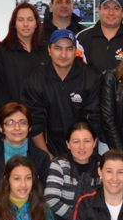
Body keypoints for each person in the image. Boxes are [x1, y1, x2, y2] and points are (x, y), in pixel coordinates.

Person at [23, 28, 102, 159]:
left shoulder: (90, 78)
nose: (63, 54)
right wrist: (46, 154)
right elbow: (34, 122)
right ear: (49, 50)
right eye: (58, 48)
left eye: (69, 49)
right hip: (47, 149)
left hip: (82, 150)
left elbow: (96, 120)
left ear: (75, 51)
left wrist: (85, 152)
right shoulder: (36, 79)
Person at [43, 121, 100, 220]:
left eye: (87, 141)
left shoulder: (102, 165)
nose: (82, 147)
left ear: (95, 142)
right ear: (68, 144)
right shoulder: (59, 164)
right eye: (76, 142)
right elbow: (50, 199)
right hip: (66, 219)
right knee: (53, 218)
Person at [0, 103, 51, 210]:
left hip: (32, 215)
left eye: (22, 122)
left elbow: (43, 196)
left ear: (29, 127)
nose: (17, 128)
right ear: (1, 128)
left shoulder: (42, 158)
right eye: (10, 123)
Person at [0, 1, 47, 107]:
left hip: (42, 116)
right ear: (14, 24)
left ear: (37, 23)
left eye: (30, 19)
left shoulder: (46, 51)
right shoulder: (1, 52)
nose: (25, 24)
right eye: (20, 20)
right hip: (12, 116)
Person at [76, 0, 123, 74]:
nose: (111, 13)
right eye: (106, 7)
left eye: (116, 8)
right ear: (99, 10)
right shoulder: (81, 38)